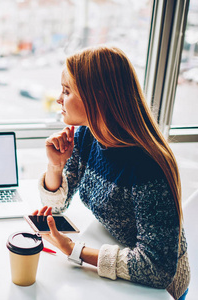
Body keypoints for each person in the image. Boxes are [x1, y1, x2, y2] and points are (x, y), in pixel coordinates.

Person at [34, 45, 190, 299]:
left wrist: (74, 249)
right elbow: (57, 207)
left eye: (67, 90)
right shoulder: (87, 136)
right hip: (115, 256)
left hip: (157, 290)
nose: (59, 99)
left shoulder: (147, 164)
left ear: (98, 97)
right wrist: (55, 165)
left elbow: (157, 267)